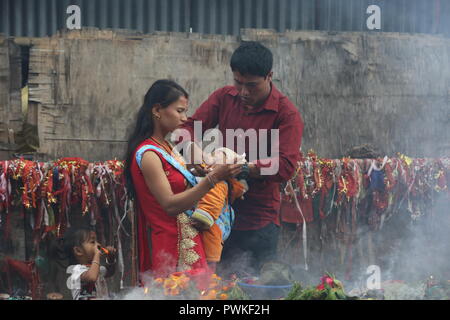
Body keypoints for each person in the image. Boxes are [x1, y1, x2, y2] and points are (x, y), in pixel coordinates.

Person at [180, 41, 304, 276]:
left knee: (257, 288)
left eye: (252, 85)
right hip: (216, 214)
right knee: (216, 286)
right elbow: (187, 128)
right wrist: (193, 149)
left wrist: (241, 168)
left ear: (270, 76)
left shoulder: (287, 115)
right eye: (238, 82)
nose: (244, 92)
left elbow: (285, 166)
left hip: (259, 220)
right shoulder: (224, 97)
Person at [123, 80, 241, 279]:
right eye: (179, 111)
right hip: (170, 247)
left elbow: (182, 185)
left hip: (189, 240)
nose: (184, 118)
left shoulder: (166, 147)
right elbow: (169, 205)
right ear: (157, 110)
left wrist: (203, 173)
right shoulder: (149, 154)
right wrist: (212, 179)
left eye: (185, 111)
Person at [189, 147, 249, 272]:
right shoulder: (220, 182)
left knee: (211, 250)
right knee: (212, 249)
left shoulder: (223, 183)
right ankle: (209, 275)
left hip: (216, 222)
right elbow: (214, 199)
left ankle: (209, 271)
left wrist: (241, 190)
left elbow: (232, 190)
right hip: (216, 223)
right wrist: (204, 217)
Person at [63, 227, 117, 300]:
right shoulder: (77, 271)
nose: (98, 245)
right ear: (78, 251)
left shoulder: (96, 269)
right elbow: (92, 277)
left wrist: (111, 258)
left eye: (97, 241)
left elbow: (110, 272)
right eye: (92, 242)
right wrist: (97, 254)